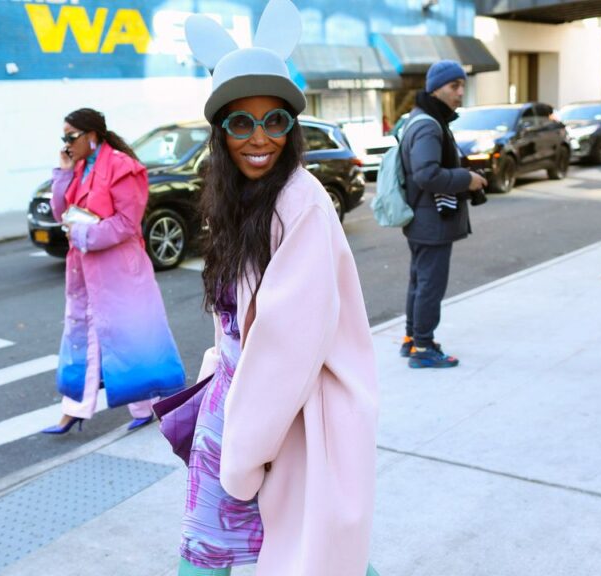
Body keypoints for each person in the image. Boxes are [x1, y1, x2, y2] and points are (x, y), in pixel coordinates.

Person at [180, 1, 379, 574]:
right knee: (314, 555)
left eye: (275, 120)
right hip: (247, 412)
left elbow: (287, 347)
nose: (259, 137)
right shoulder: (243, 199)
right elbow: (235, 323)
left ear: (292, 127)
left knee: (238, 556)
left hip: (285, 421)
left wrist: (243, 454)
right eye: (241, 123)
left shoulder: (300, 203)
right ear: (220, 131)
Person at [41, 108, 186, 434]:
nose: (66, 144)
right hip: (86, 272)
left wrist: (82, 234)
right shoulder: (79, 168)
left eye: (71, 137)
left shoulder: (123, 168)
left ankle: (145, 407)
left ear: (92, 135)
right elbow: (61, 213)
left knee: (131, 338)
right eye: (64, 137)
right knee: (84, 339)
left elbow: (126, 223)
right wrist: (63, 173)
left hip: (120, 272)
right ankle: (74, 409)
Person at [398, 61, 487, 369]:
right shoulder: (428, 125)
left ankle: (412, 339)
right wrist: (467, 179)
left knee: (420, 281)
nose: (460, 92)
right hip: (431, 219)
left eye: (463, 85)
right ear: (435, 89)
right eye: (454, 86)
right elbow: (427, 174)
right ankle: (423, 348)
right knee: (430, 285)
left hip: (421, 217)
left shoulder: (421, 118)